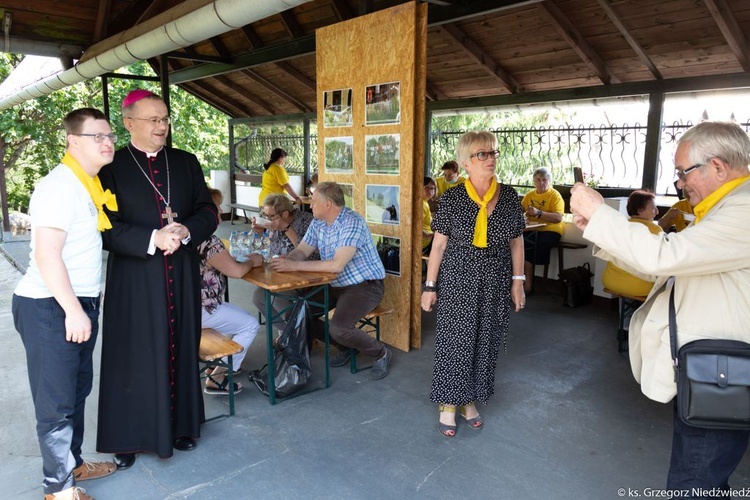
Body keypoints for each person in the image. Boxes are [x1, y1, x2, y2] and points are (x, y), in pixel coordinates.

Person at [570, 121, 750, 492]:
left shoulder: (743, 208)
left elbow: (664, 257)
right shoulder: (723, 208)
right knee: (700, 477)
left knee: (694, 481)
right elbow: (669, 265)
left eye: (684, 172)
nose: (680, 183)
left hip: (720, 373)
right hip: (709, 368)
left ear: (717, 167)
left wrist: (602, 214)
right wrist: (597, 227)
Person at [96, 89, 219, 470]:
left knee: (181, 343)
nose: (162, 127)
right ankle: (128, 437)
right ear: (129, 123)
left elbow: (208, 211)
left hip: (179, 274)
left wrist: (185, 232)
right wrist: (153, 237)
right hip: (135, 278)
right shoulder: (111, 167)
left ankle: (181, 427)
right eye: (153, 120)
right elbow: (104, 228)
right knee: (133, 354)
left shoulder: (185, 162)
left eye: (165, 119)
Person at [12, 108, 118, 500]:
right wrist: (74, 310)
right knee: (56, 404)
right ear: (73, 141)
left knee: (76, 392)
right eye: (97, 136)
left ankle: (71, 465)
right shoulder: (59, 186)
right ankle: (58, 489)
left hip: (77, 304)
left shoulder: (86, 185)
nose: (107, 142)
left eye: (109, 136)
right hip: (50, 306)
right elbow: (46, 255)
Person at [421, 131, 526, 438]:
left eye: (493, 153)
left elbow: (517, 242)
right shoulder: (453, 198)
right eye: (483, 154)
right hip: (457, 278)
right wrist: (430, 287)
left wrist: (517, 283)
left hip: (495, 279)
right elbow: (438, 247)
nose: (491, 158)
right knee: (455, 342)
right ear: (466, 162)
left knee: (484, 341)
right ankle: (448, 403)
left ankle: (468, 398)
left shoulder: (507, 196)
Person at [269, 182, 392, 380]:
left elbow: (336, 265)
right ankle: (345, 347)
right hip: (333, 283)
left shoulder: (352, 222)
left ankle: (380, 352)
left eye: (314, 201)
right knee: (298, 313)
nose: (310, 205)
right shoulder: (319, 222)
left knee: (339, 328)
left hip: (365, 286)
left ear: (327, 204)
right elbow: (302, 250)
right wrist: (288, 260)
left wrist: (293, 267)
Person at [200, 188, 263, 394]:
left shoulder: (189, 237)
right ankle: (217, 377)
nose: (220, 212)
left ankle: (221, 361)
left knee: (240, 316)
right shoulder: (208, 242)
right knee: (251, 325)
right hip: (203, 308)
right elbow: (236, 271)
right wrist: (252, 262)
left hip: (189, 306)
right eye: (216, 207)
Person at [250, 193, 317, 329]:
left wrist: (286, 228)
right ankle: (289, 334)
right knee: (258, 297)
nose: (267, 219)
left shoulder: (306, 221)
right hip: (278, 272)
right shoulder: (271, 225)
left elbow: (309, 254)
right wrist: (259, 233)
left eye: (271, 216)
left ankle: (300, 335)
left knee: (279, 299)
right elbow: (263, 250)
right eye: (265, 215)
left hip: (303, 274)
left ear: (285, 214)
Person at [602, 190, 662, 298]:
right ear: (640, 210)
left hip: (610, 281)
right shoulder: (655, 230)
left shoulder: (620, 225)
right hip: (640, 287)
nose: (657, 212)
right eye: (653, 208)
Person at [521, 167, 564, 292]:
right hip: (532, 230)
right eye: (538, 179)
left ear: (549, 181)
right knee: (518, 243)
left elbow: (558, 218)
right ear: (534, 181)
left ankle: (528, 286)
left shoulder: (554, 195)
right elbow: (520, 211)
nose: (541, 182)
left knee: (531, 247)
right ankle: (519, 283)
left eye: (544, 180)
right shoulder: (529, 195)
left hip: (551, 230)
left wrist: (539, 213)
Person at [421, 176, 436, 254]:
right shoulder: (421, 204)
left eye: (432, 188)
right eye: (427, 188)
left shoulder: (425, 202)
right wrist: (429, 235)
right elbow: (415, 227)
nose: (430, 191)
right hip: (423, 243)